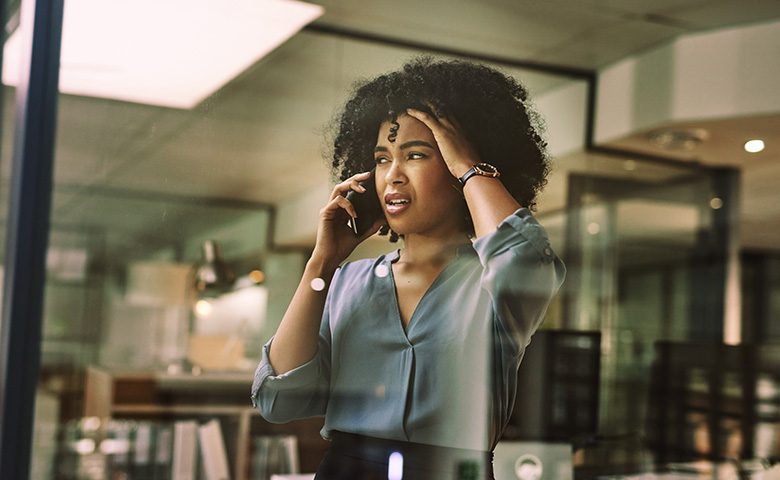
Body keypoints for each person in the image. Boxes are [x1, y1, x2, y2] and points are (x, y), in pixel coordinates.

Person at [250, 57, 566, 479]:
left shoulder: (493, 282)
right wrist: (321, 262)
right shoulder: (347, 281)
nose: (392, 176)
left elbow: (525, 258)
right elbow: (277, 400)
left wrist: (469, 167)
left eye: (415, 155)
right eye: (382, 159)